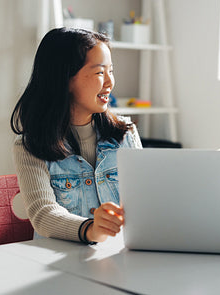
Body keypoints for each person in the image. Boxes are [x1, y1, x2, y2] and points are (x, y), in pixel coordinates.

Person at [10, 28, 142, 245]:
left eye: (111, 71)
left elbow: (144, 200)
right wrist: (90, 229)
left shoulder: (126, 133)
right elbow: (43, 214)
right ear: (65, 78)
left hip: (117, 258)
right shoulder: (29, 146)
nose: (110, 83)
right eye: (100, 72)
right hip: (60, 266)